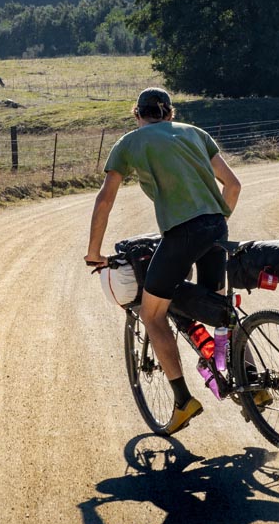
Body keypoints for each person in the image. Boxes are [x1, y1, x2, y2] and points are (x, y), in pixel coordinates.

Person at [85, 87, 241, 435]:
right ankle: (250, 384)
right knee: (216, 309)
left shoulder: (130, 142)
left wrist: (94, 252)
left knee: (152, 313)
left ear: (137, 115)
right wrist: (214, 222)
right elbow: (233, 185)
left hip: (183, 233)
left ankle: (183, 400)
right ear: (170, 113)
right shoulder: (195, 133)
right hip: (217, 227)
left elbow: (105, 200)